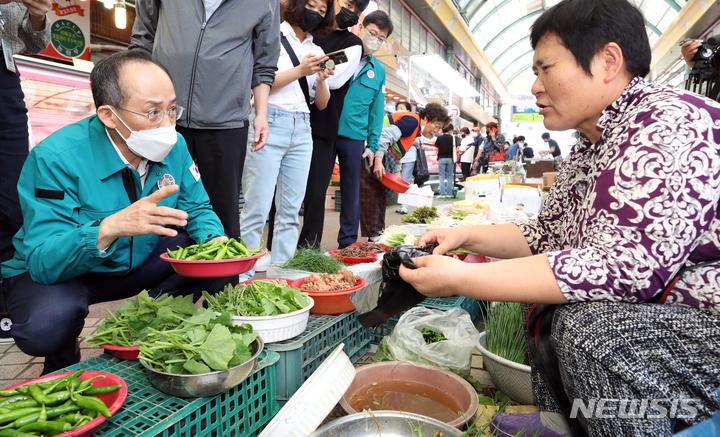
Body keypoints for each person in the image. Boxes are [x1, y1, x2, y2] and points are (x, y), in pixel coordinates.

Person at [399, 1, 720, 435]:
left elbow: (623, 267)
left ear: (608, 61)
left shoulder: (668, 123)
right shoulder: (593, 141)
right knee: (554, 300)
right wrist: (465, 236)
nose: (535, 86)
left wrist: (460, 279)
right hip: (671, 313)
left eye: (545, 68)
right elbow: (549, 234)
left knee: (593, 330)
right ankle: (568, 423)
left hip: (706, 321)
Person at [1, 51, 230, 374]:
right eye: (152, 112)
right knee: (45, 327)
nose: (166, 124)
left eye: (171, 109)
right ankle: (62, 357)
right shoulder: (55, 158)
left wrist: (217, 242)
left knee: (220, 266)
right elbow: (43, 261)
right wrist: (108, 228)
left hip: (139, 261)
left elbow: (197, 207)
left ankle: (147, 321)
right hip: (68, 273)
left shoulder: (174, 145)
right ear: (109, 116)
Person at [131, 0, 281, 241]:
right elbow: (142, 40)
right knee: (160, 202)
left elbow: (265, 60)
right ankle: (156, 274)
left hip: (227, 120)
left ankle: (223, 277)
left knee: (223, 211)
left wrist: (261, 114)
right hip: (164, 116)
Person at [239, 0, 334, 278]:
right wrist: (301, 71)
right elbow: (259, 81)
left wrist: (323, 79)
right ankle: (242, 277)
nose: (315, 12)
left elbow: (321, 104)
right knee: (257, 207)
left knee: (291, 211)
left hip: (303, 128)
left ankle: (282, 278)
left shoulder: (316, 49)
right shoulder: (271, 35)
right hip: (270, 121)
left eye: (321, 10)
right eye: (311, 5)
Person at [296, 0, 369, 252]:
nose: (351, 11)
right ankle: (275, 248)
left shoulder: (352, 44)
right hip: (288, 115)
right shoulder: (305, 30)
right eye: (348, 3)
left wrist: (301, 72)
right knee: (283, 191)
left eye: (357, 11)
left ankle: (308, 251)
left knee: (315, 193)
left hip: (323, 123)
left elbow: (334, 80)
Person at [0, 0, 51, 343]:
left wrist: (37, 15)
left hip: (4, 78)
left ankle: (9, 301)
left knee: (12, 197)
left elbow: (34, 44)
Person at [333, 10, 392, 247]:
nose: (376, 40)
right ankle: (309, 245)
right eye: (372, 33)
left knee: (351, 193)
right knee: (313, 189)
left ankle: (346, 243)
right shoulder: (341, 55)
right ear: (360, 27)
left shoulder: (379, 71)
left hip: (354, 138)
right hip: (325, 133)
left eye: (381, 38)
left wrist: (373, 146)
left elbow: (377, 113)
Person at [359, 103, 450, 239]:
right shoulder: (412, 121)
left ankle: (378, 234)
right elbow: (384, 136)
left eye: (440, 128)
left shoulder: (414, 130)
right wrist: (378, 161)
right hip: (373, 156)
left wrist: (398, 180)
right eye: (436, 125)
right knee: (373, 197)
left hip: (382, 158)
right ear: (425, 118)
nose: (435, 130)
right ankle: (373, 237)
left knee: (380, 197)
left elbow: (397, 153)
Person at [394, 102, 415, 215]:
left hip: (409, 157)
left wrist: (410, 141)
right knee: (398, 181)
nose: (399, 110)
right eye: (397, 108)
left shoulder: (412, 122)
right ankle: (402, 202)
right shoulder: (396, 122)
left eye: (401, 108)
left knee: (405, 181)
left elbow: (420, 140)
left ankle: (404, 205)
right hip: (397, 157)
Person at [434, 124, 456, 198]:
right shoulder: (452, 138)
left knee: (441, 176)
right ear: (449, 130)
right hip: (450, 158)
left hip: (441, 158)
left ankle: (442, 193)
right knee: (449, 176)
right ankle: (449, 193)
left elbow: (436, 149)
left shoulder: (439, 138)